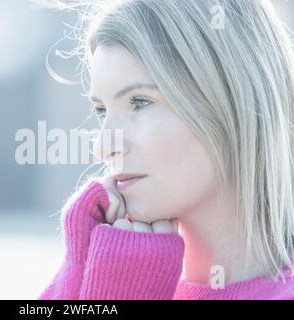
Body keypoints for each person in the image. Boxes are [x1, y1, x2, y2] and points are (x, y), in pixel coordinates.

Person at [37, 0, 294, 299]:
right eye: (101, 109)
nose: (103, 147)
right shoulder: (125, 279)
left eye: (140, 102)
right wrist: (78, 266)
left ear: (230, 102)